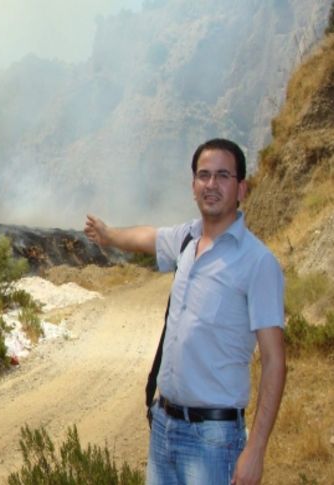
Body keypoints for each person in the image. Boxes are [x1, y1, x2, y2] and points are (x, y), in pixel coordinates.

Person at [83, 138, 286, 485]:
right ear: (193, 186)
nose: (211, 184)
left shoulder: (258, 262)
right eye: (203, 175)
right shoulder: (186, 239)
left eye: (223, 176)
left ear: (242, 189)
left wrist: (256, 451)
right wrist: (109, 235)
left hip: (213, 440)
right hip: (163, 426)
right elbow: (148, 237)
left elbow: (275, 361)